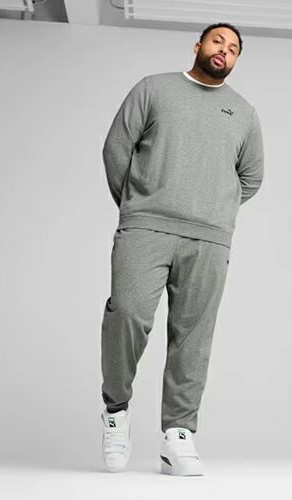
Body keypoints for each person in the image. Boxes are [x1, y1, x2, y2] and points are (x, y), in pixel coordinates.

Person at [100, 22, 264, 476]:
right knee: (127, 313)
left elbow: (251, 177)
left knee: (194, 335)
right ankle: (115, 410)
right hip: (146, 226)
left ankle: (178, 434)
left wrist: (213, 208)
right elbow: (117, 149)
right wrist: (137, 204)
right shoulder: (153, 89)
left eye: (233, 48)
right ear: (198, 45)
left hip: (209, 238)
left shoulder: (244, 113)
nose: (224, 50)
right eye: (217, 41)